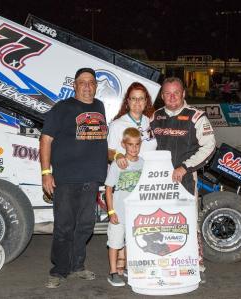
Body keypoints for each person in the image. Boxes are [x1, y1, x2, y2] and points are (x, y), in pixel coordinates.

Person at [40, 67, 108, 288]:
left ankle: (78, 265)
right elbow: (45, 140)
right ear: (74, 85)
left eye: (91, 82)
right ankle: (58, 270)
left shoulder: (100, 106)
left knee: (86, 226)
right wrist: (46, 173)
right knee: (64, 227)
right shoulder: (62, 108)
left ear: (96, 86)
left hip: (91, 179)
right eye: (82, 82)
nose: (87, 86)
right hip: (67, 179)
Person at [150, 77, 216, 283]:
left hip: (185, 179)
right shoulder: (155, 116)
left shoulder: (196, 117)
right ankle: (166, 265)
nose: (172, 97)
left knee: (187, 222)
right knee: (160, 223)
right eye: (167, 93)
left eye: (176, 93)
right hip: (157, 181)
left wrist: (185, 167)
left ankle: (197, 267)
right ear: (162, 96)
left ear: (183, 94)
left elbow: (209, 146)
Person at [106, 81, 156, 275]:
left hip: (144, 178)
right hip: (124, 179)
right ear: (128, 101)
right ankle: (118, 263)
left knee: (135, 224)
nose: (137, 102)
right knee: (121, 225)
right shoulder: (118, 124)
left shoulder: (147, 121)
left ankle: (127, 262)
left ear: (146, 102)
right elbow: (109, 152)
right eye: (133, 99)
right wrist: (118, 157)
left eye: (141, 99)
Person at [105, 127, 143, 287]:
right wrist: (111, 211)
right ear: (123, 144)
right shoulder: (118, 164)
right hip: (119, 213)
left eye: (137, 144)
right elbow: (108, 189)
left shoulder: (143, 163)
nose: (134, 148)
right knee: (115, 242)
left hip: (135, 213)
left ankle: (128, 267)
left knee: (131, 242)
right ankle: (113, 272)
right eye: (130, 144)